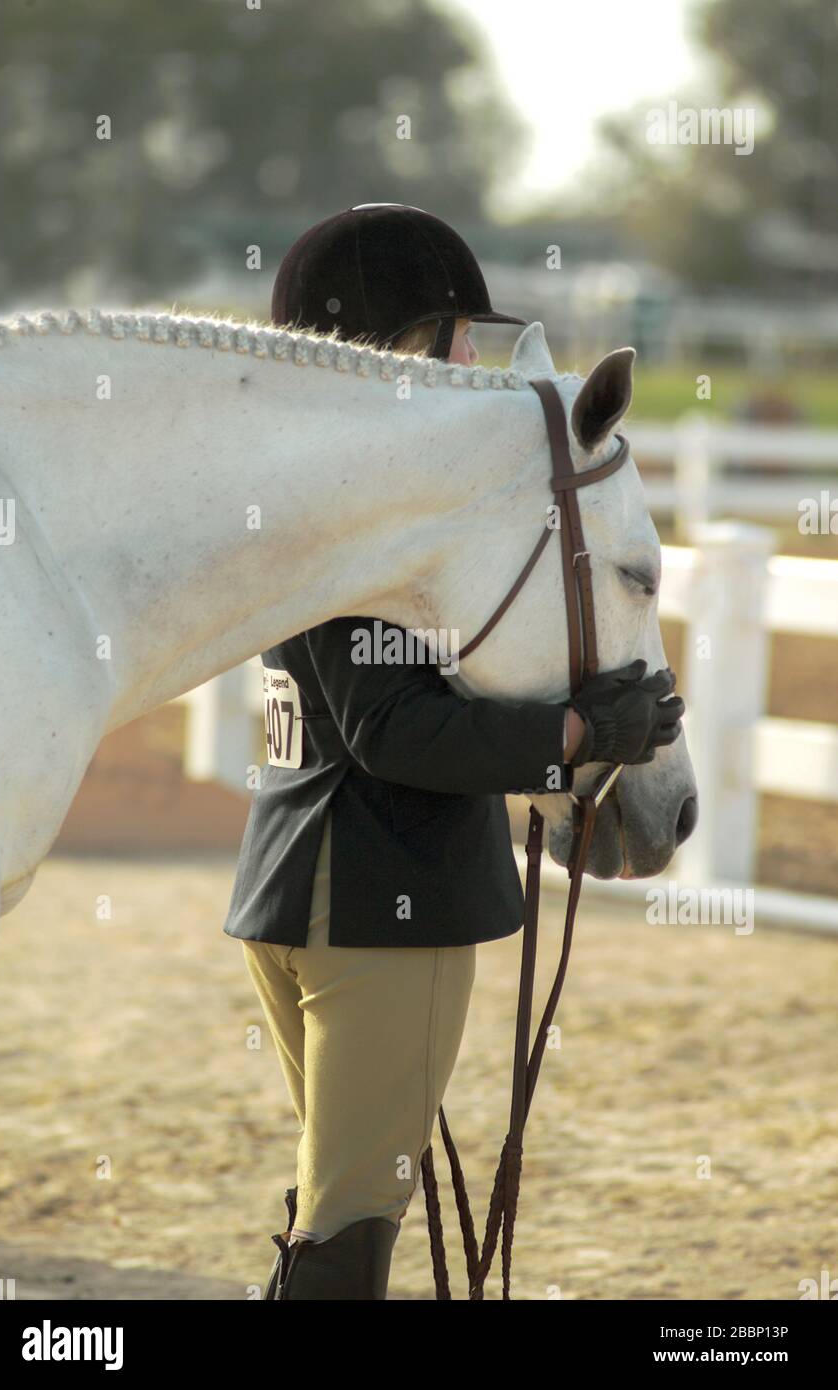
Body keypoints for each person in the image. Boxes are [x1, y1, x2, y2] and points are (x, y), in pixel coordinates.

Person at [222, 204, 683, 1300]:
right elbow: (393, 729)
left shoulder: (302, 500)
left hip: (286, 896)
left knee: (326, 1206)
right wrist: (576, 736)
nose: (472, 358)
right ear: (402, 344)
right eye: (456, 334)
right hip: (390, 906)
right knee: (348, 1229)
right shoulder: (373, 520)